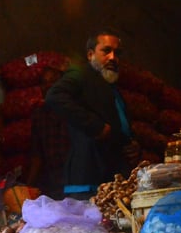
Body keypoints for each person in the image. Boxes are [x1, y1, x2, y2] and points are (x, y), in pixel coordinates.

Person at [45, 28, 141, 200]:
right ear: (90, 55)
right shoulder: (81, 76)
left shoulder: (112, 88)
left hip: (111, 176)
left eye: (117, 53)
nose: (113, 57)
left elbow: (118, 125)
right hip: (88, 177)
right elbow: (55, 96)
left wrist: (131, 144)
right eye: (106, 51)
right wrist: (95, 126)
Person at [26, 67, 69, 200]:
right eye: (44, 83)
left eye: (53, 82)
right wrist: (28, 187)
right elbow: (36, 155)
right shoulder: (39, 116)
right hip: (51, 182)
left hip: (74, 180)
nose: (48, 86)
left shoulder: (73, 111)